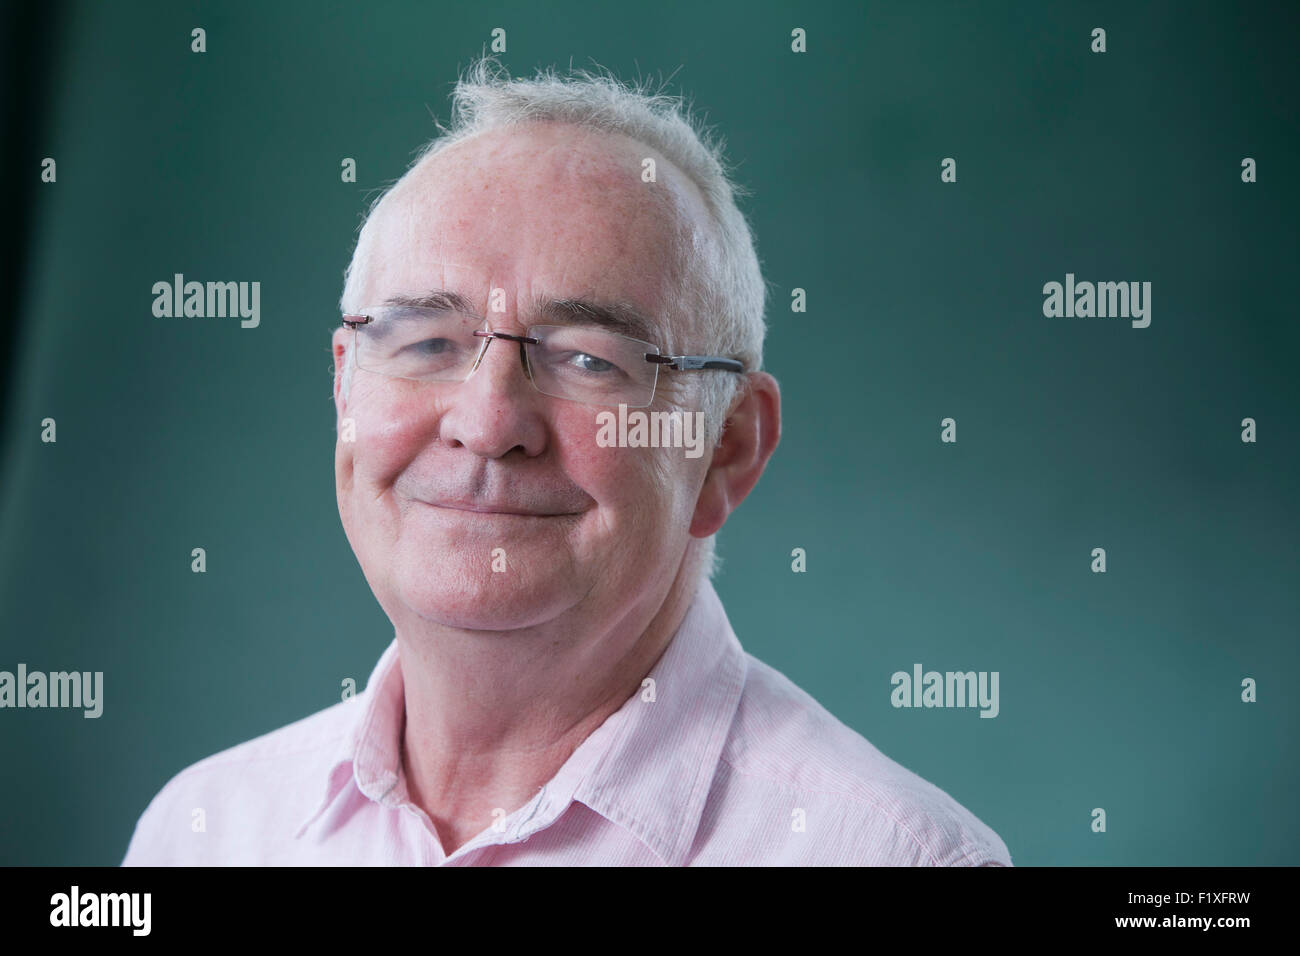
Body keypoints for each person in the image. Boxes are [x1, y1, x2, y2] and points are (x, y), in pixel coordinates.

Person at [123, 57, 1011, 866]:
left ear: (728, 447)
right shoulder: (202, 831)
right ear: (346, 388)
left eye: (590, 359)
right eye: (429, 340)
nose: (489, 420)